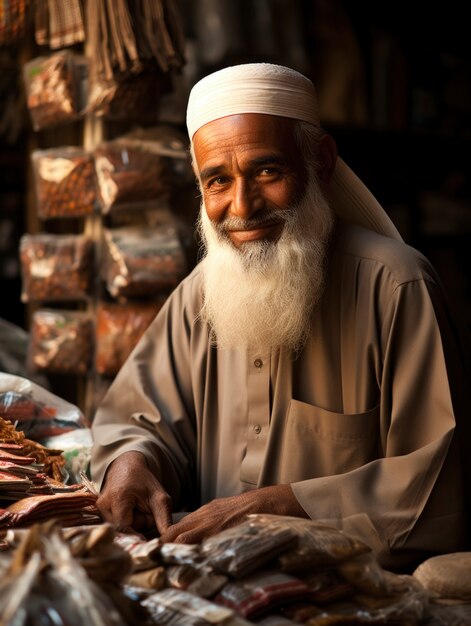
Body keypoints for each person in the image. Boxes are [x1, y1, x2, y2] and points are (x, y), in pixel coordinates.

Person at [90, 63, 471, 570]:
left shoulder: (397, 286)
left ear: (321, 162)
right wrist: (130, 463)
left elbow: (440, 484)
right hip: (214, 592)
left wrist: (273, 508)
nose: (241, 205)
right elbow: (136, 418)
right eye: (218, 181)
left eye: (267, 171)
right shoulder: (198, 296)